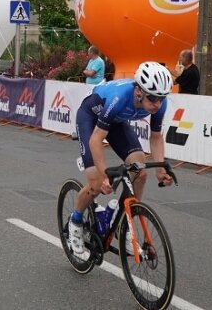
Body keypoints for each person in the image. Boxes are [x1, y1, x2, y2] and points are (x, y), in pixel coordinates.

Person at [67, 61, 175, 255]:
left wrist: (160, 171)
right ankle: (75, 222)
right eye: (152, 98)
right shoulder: (120, 97)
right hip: (90, 118)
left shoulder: (159, 103)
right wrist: (105, 175)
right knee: (97, 183)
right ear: (139, 92)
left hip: (116, 122)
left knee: (140, 172)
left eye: (161, 98)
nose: (157, 104)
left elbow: (156, 137)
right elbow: (96, 140)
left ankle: (124, 224)